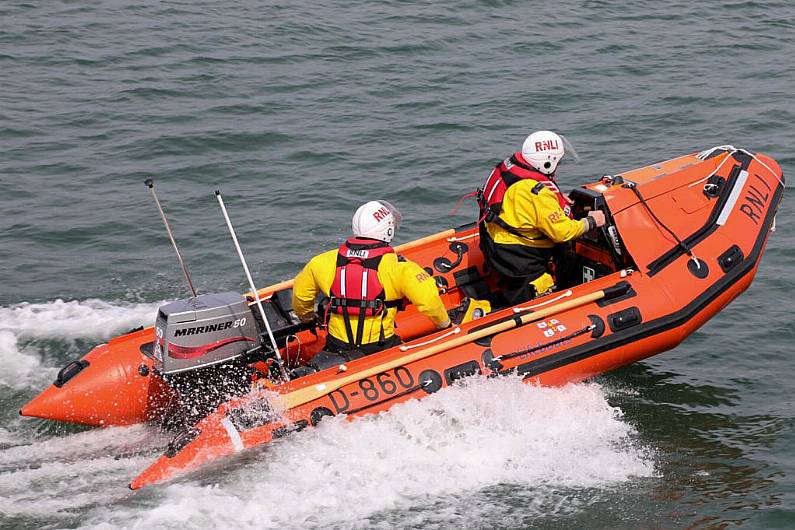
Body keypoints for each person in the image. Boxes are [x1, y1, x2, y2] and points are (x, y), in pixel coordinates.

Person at [292, 200, 451, 371]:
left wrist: (307, 318)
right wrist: (445, 326)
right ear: (388, 230)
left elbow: (300, 296)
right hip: (380, 347)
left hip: (336, 345)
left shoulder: (321, 262)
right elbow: (429, 300)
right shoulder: (399, 266)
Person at [477, 130, 606, 306]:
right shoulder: (537, 192)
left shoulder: (511, 170)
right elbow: (563, 233)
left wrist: (557, 203)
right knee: (534, 301)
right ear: (547, 162)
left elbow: (521, 201)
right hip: (518, 259)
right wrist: (592, 221)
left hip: (492, 243)